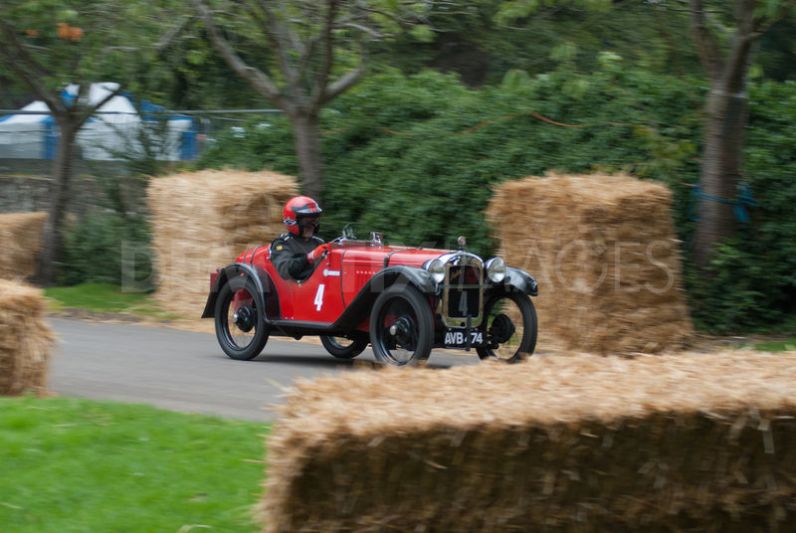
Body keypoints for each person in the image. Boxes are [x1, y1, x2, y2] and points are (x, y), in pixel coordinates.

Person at [270, 195, 332, 281]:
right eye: (307, 222)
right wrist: (310, 257)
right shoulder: (282, 243)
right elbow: (285, 271)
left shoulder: (318, 242)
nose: (312, 226)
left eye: (314, 221)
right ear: (292, 221)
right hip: (294, 290)